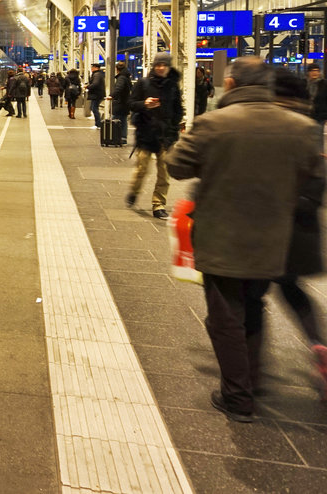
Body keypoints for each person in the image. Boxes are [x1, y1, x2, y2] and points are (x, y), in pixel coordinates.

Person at [168, 57, 324, 421]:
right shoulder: (301, 128)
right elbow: (313, 175)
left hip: (221, 238)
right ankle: (250, 382)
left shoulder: (212, 124)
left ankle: (237, 396)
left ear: (233, 85)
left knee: (225, 320)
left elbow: (177, 166)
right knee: (254, 308)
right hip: (273, 240)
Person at [268, 67, 327, 397]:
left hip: (269, 227)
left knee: (250, 294)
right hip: (301, 230)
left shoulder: (271, 126)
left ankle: (249, 371)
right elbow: (317, 181)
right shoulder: (309, 129)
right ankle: (319, 345)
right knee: (292, 289)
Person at [126, 52, 183, 218]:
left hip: (166, 137)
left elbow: (178, 110)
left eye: (164, 65)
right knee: (142, 169)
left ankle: (158, 204)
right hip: (146, 135)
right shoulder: (143, 84)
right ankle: (134, 192)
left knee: (164, 173)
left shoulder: (173, 87)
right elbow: (130, 104)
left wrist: (173, 129)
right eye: (158, 65)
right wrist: (144, 104)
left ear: (168, 67)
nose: (160, 68)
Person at [110, 61, 131, 135]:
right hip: (125, 102)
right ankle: (123, 137)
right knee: (123, 120)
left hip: (120, 103)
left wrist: (111, 96)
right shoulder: (126, 77)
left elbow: (119, 88)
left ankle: (115, 137)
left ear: (117, 69)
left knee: (114, 119)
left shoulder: (121, 78)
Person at [86, 62, 106, 129]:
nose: (91, 68)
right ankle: (98, 123)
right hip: (97, 94)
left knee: (94, 108)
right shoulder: (97, 74)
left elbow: (95, 84)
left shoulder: (97, 75)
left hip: (96, 94)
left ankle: (98, 124)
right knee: (93, 108)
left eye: (93, 67)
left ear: (96, 68)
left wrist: (88, 87)